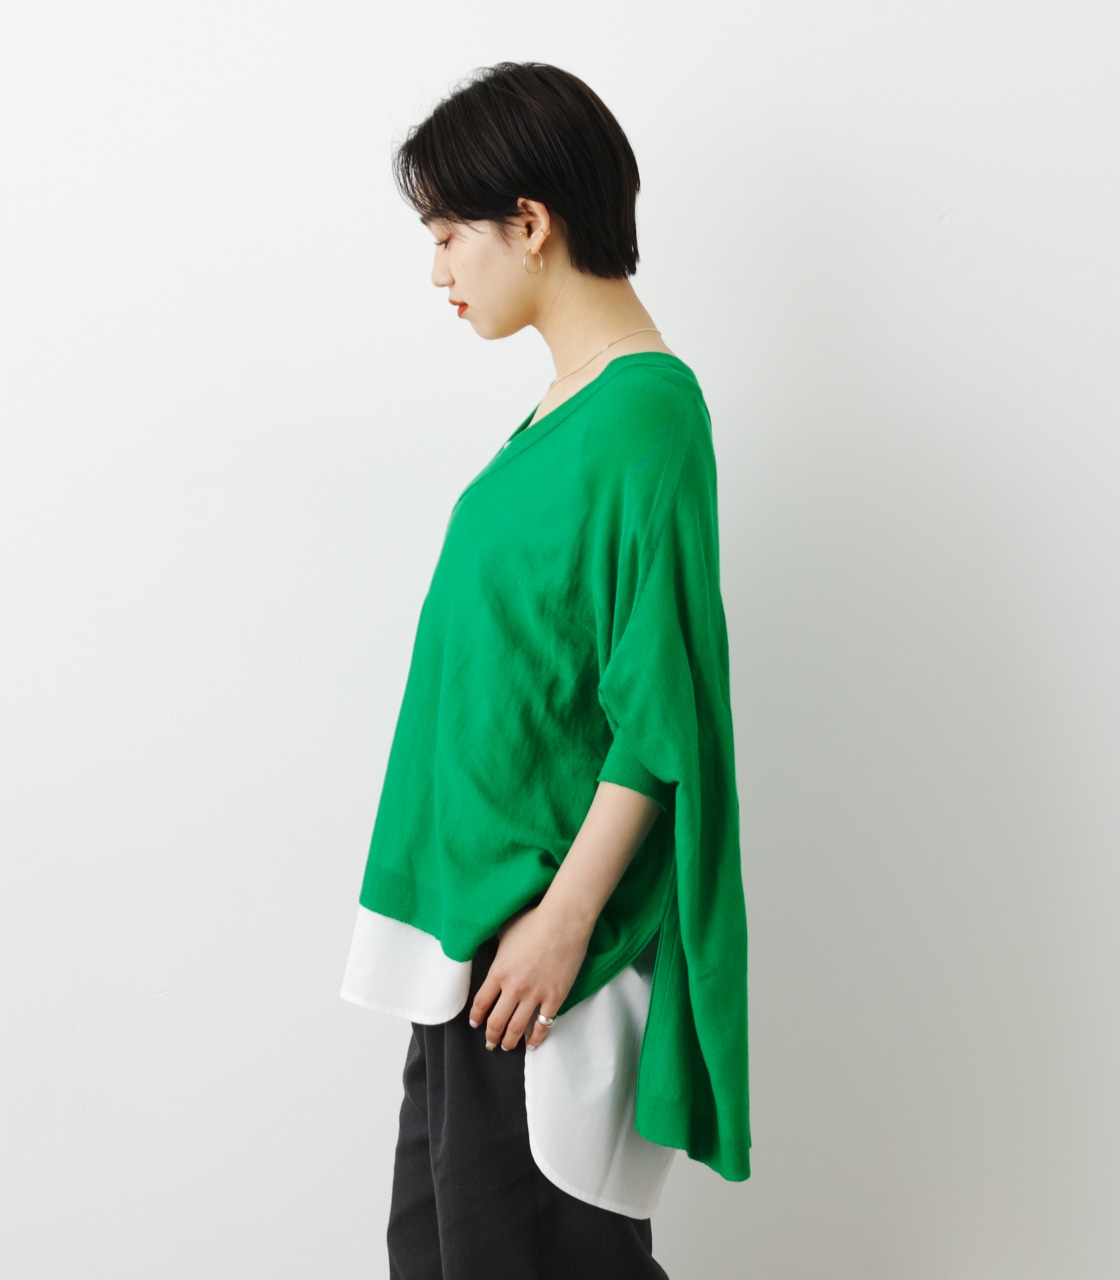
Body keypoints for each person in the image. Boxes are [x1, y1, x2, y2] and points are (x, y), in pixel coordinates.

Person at [341, 61, 750, 1279]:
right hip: (473, 942)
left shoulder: (645, 415)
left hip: (536, 950)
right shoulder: (566, 411)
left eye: (447, 234)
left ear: (530, 221)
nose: (438, 272)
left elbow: (659, 710)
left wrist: (562, 925)